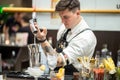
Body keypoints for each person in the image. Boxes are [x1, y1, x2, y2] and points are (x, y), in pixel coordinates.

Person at [30, 0, 97, 75]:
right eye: (61, 17)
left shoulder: (85, 37)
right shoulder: (63, 28)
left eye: (66, 17)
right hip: (57, 75)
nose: (62, 21)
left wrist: (42, 40)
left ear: (77, 13)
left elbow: (58, 61)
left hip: (75, 77)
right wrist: (41, 39)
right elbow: (55, 54)